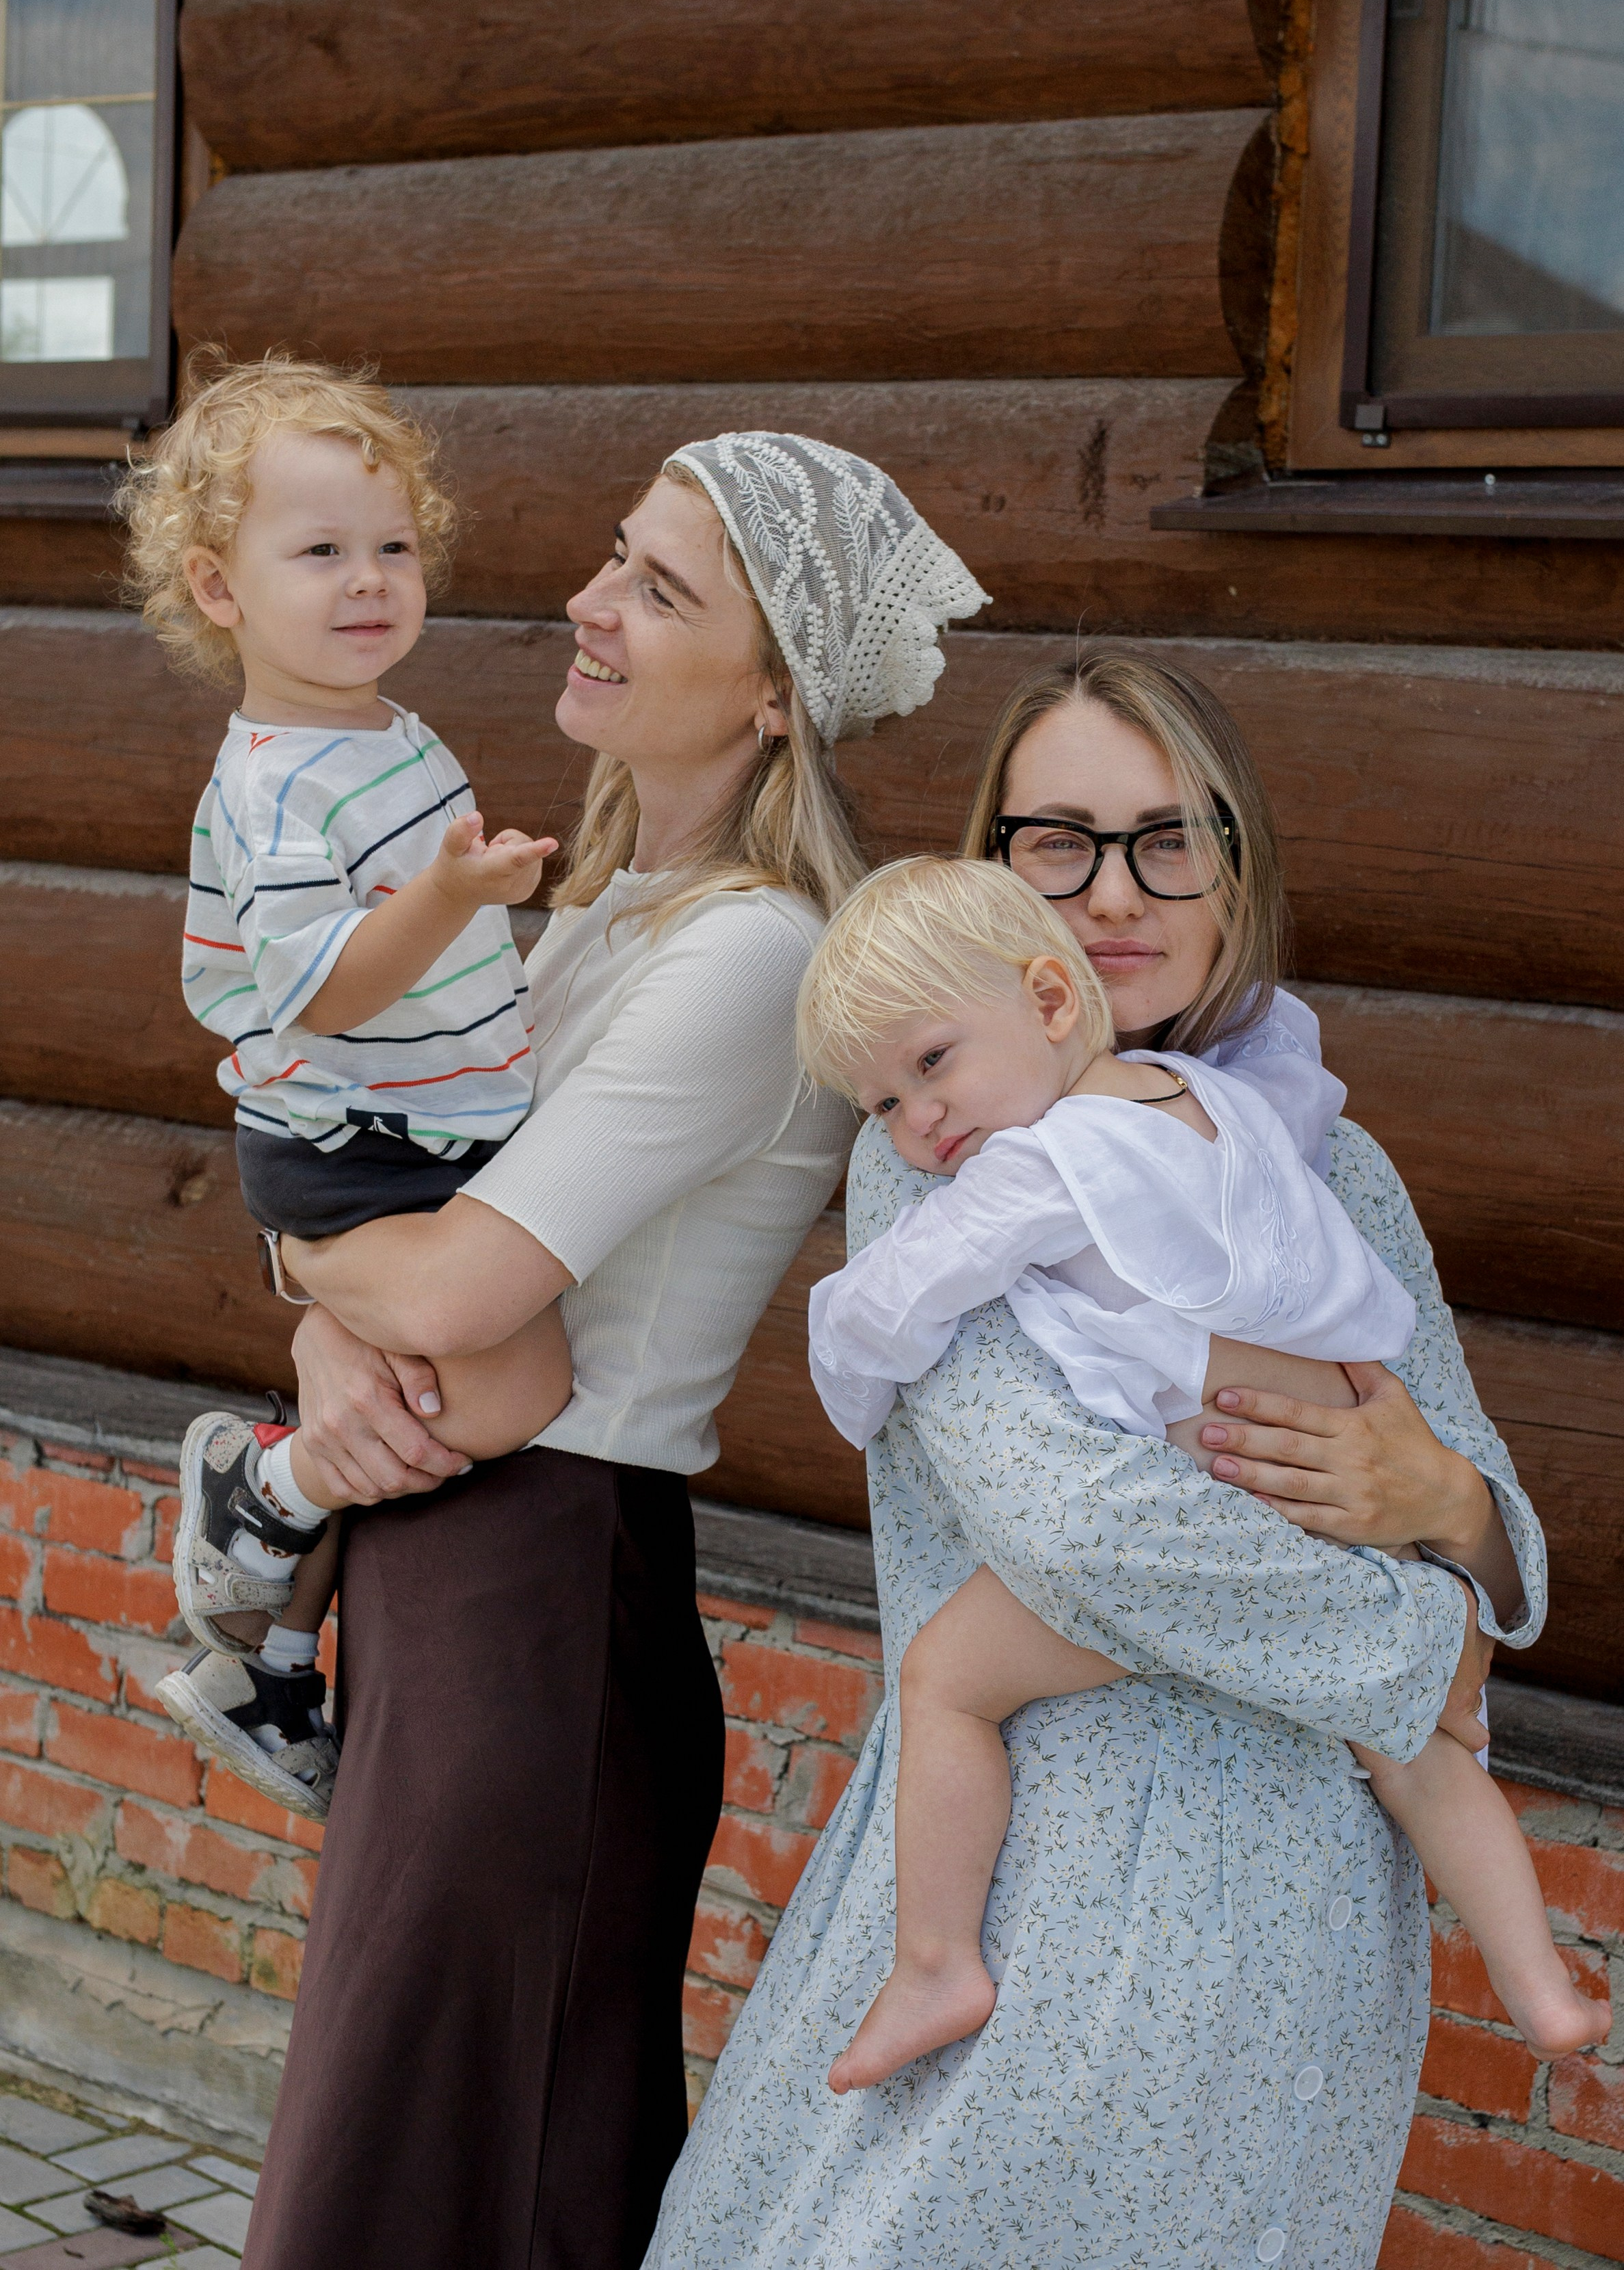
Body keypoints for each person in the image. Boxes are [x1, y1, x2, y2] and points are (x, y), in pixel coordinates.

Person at [644, 651, 1548, 2270]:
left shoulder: (1323, 1158)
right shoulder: (950, 1144)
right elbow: (1086, 1528)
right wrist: (1422, 1636)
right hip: (1048, 1880)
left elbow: (1486, 1509)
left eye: (1167, 838)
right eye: (1055, 837)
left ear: (1236, 862)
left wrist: (1456, 1509)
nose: (1114, 893)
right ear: (993, 868)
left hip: (1310, 1910)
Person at [223, 430, 988, 2270]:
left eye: (660, 586)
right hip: (447, 1556)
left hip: (546, 1593)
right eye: (611, 553)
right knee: (408, 2159)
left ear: (781, 694)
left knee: (449, 2185)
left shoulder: (746, 957)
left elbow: (445, 1289)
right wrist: (329, 1345)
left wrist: (342, 1298)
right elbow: (330, 1203)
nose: (591, 600)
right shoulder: (581, 910)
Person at [797, 856, 1606, 2089]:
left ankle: (936, 1959)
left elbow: (897, 1303)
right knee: (1420, 1750)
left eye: (930, 1064)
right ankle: (1541, 1984)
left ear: (1054, 1005)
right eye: (879, 1105)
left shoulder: (1041, 1164)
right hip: (1350, 1478)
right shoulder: (1217, 1102)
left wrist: (845, 1370)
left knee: (945, 1676)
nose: (916, 1125)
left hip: (1222, 1493)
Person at [116, 354, 567, 1821]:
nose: (369, 581)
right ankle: (260, 1492)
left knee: (396, 1388)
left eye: (392, 546)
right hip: (357, 1148)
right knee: (510, 1382)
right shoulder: (277, 785)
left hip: (428, 1120)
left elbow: (430, 964)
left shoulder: (386, 728)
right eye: (319, 551)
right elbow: (330, 986)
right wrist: (453, 893)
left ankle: (273, 1652)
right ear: (221, 587)